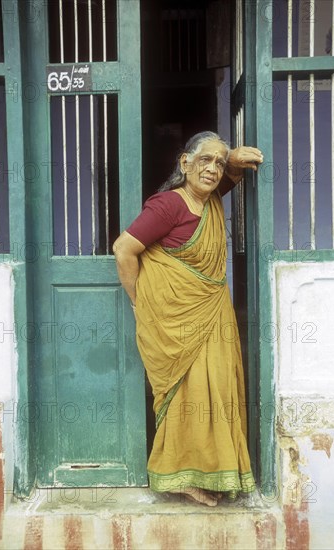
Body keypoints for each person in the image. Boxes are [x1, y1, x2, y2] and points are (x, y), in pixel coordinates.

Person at [113, 132, 263, 507]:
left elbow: (227, 178)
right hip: (177, 325)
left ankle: (207, 469)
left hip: (211, 317)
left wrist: (234, 160)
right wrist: (140, 302)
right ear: (184, 164)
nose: (212, 168)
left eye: (217, 161)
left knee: (215, 393)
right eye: (204, 160)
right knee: (188, 397)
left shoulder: (208, 201)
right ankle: (178, 475)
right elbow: (124, 249)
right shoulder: (169, 206)